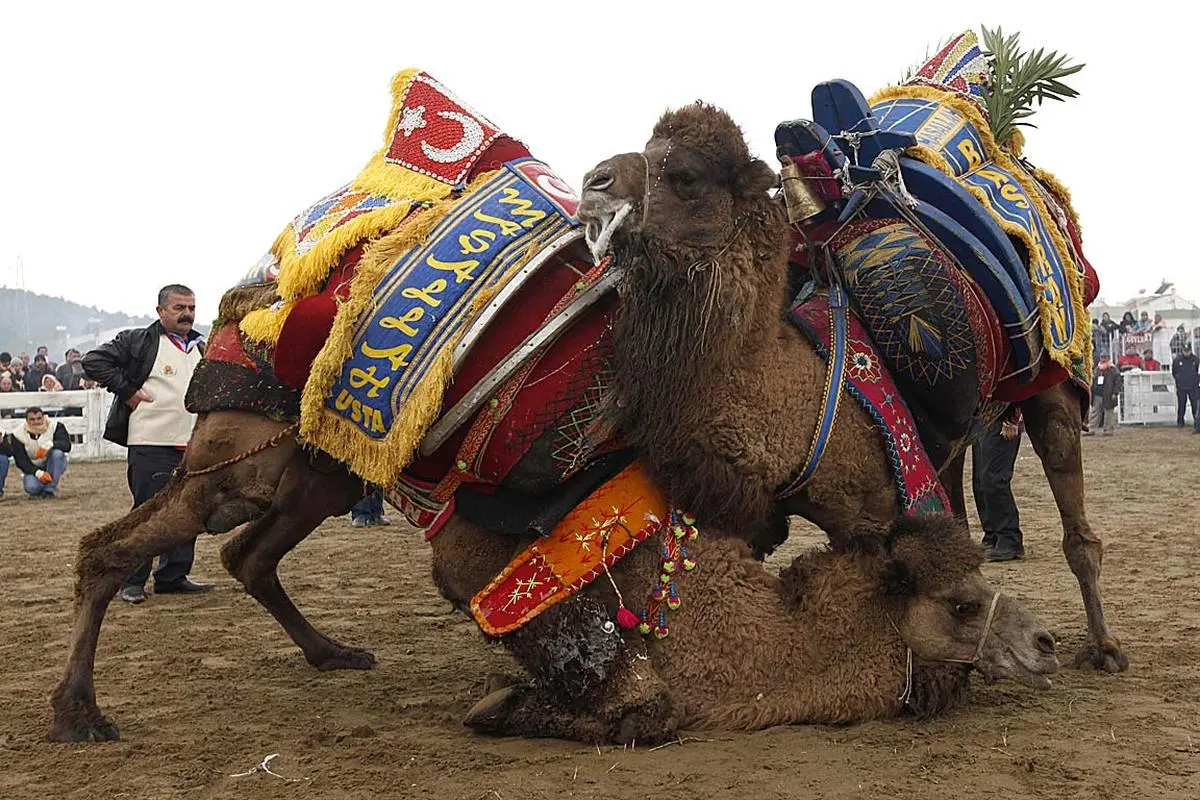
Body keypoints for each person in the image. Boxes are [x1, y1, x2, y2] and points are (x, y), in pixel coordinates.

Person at [83, 284, 211, 604]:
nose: (187, 314)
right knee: (146, 512)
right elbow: (93, 361)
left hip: (193, 443)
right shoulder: (137, 341)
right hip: (151, 441)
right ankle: (132, 580)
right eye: (179, 307)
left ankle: (173, 576)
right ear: (160, 311)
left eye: (191, 308)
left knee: (190, 510)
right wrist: (127, 391)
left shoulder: (200, 346)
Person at [971, 415, 1024, 562]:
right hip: (984, 420)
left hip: (1002, 420)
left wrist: (1012, 419)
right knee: (980, 482)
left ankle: (1009, 539)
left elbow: (1013, 391)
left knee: (994, 480)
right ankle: (992, 535)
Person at [0, 406, 71, 499]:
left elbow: (67, 446)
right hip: (33, 465)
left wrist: (51, 444)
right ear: (27, 421)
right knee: (31, 488)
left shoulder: (56, 426)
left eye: (39, 418)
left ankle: (50, 489)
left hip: (53, 462)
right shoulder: (18, 434)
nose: (36, 422)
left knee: (57, 454)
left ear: (44, 417)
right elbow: (21, 461)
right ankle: (43, 486)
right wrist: (37, 472)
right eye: (32, 419)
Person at [1086, 354, 1123, 435]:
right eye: (1101, 357)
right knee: (1094, 413)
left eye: (1105, 357)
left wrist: (1115, 393)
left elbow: (1118, 382)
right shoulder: (1097, 369)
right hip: (1097, 394)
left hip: (1109, 394)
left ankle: (1108, 430)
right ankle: (1091, 429)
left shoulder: (1113, 370)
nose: (1103, 359)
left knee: (1109, 413)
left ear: (1108, 358)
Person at [1172, 343, 1200, 432]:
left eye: (1188, 351)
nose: (1186, 352)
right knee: (1181, 405)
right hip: (1181, 387)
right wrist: (1178, 380)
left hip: (1194, 387)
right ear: (1182, 350)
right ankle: (1180, 422)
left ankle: (1196, 423)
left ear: (1191, 351)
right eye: (1185, 351)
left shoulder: (1196, 360)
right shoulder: (1177, 360)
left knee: (1195, 405)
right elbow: (1174, 372)